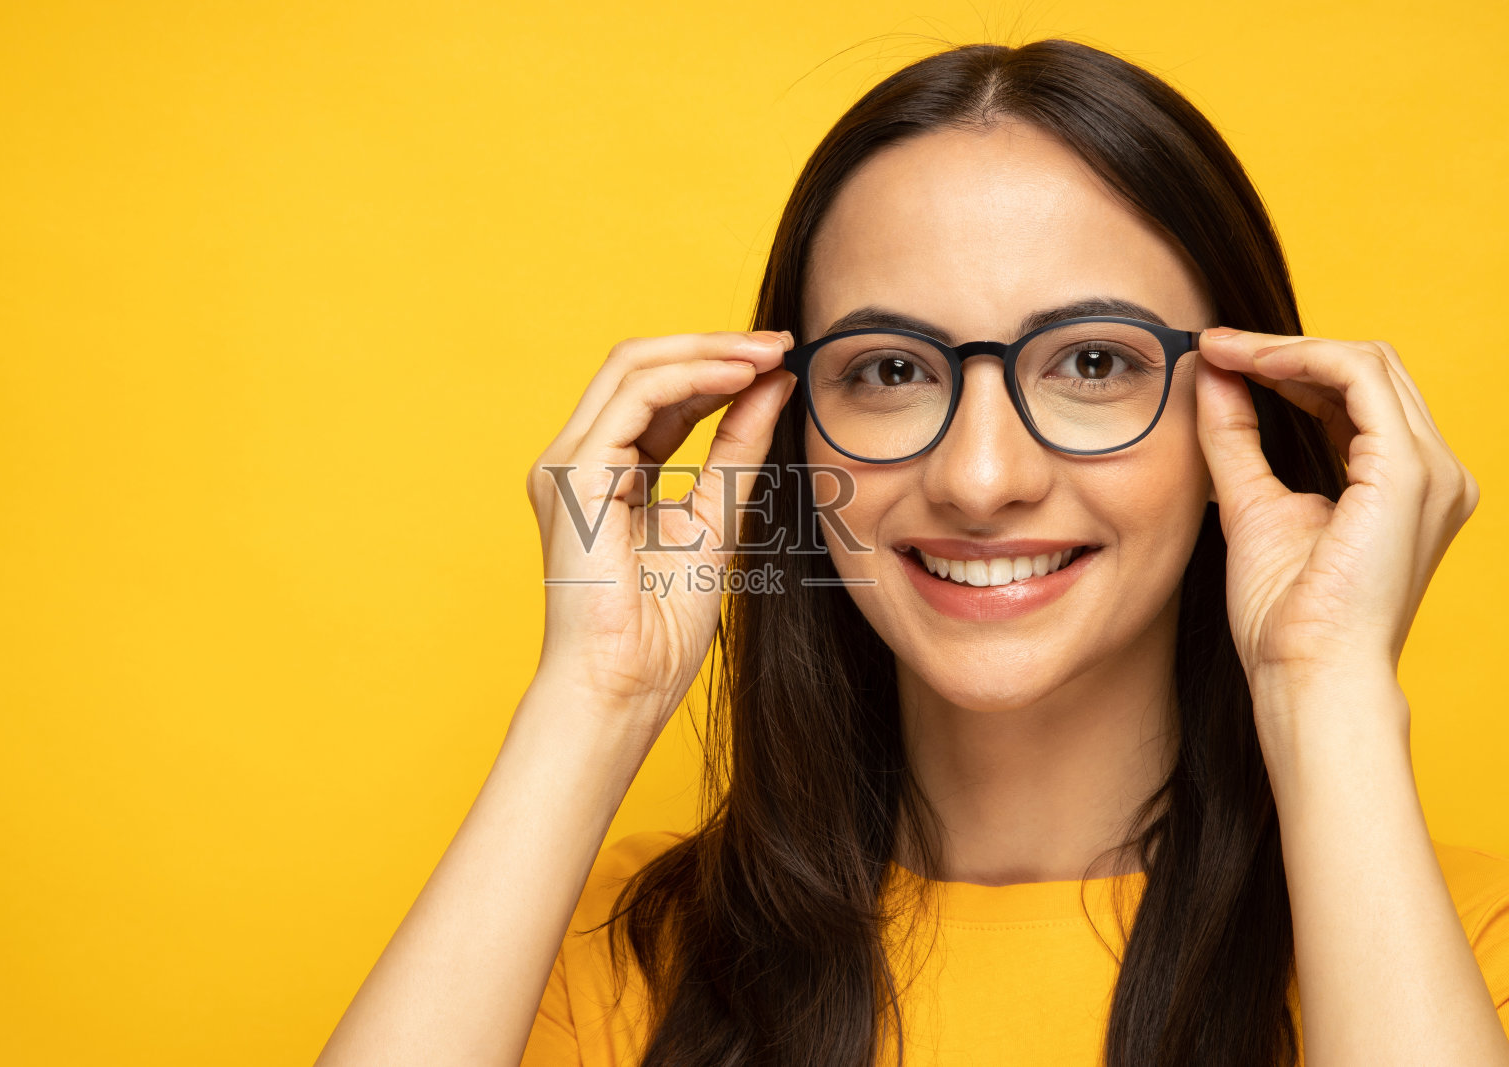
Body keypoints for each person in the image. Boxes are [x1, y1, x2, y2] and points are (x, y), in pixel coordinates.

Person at [315, 39, 1509, 1067]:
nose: (981, 478)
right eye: (888, 369)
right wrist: (594, 695)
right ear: (783, 430)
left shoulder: (1463, 945)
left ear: (1238, 413)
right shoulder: (618, 960)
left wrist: (1328, 693)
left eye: (1092, 363)